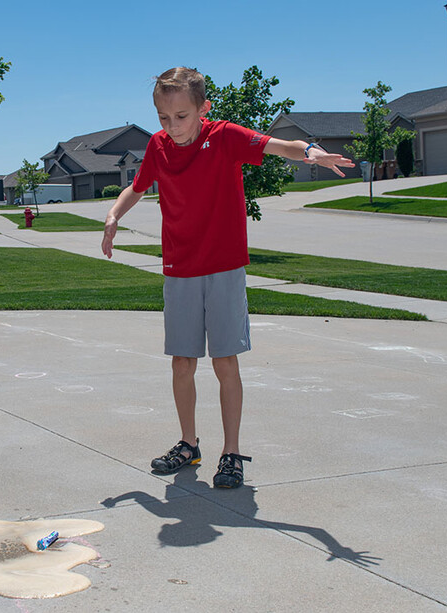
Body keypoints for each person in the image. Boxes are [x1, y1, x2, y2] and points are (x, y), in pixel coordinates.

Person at [101, 66, 353, 489]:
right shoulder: (158, 146)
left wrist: (309, 150)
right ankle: (188, 444)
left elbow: (279, 145)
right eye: (164, 118)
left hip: (223, 267)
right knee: (182, 361)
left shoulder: (224, 137)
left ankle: (231, 452)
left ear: (203, 108)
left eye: (181, 116)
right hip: (180, 267)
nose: (172, 126)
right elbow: (138, 187)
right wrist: (113, 214)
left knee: (224, 361)